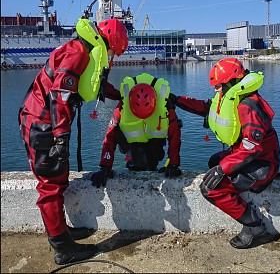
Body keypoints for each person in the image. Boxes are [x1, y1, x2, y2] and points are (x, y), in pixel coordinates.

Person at [18, 18, 128, 265]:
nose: (111, 58)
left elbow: (95, 85)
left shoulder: (82, 50)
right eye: (113, 52)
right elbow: (61, 96)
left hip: (44, 122)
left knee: (57, 180)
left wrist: (122, 95)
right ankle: (63, 248)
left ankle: (61, 231)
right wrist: (60, 137)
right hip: (42, 126)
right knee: (50, 186)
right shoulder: (78, 53)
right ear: (110, 42)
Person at [169, 57, 280, 249]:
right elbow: (206, 108)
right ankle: (243, 193)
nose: (216, 89)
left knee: (210, 188)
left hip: (262, 163)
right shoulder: (232, 97)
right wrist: (176, 100)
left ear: (233, 82)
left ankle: (255, 226)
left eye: (219, 85)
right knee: (214, 161)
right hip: (251, 156)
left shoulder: (248, 106)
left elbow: (251, 147)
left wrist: (223, 169)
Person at [91, 72, 182, 188]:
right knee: (137, 162)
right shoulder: (123, 106)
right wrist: (105, 166)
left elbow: (175, 136)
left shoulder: (165, 106)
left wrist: (173, 164)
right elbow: (110, 137)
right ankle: (135, 164)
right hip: (131, 142)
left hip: (154, 142)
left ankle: (150, 165)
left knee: (152, 158)